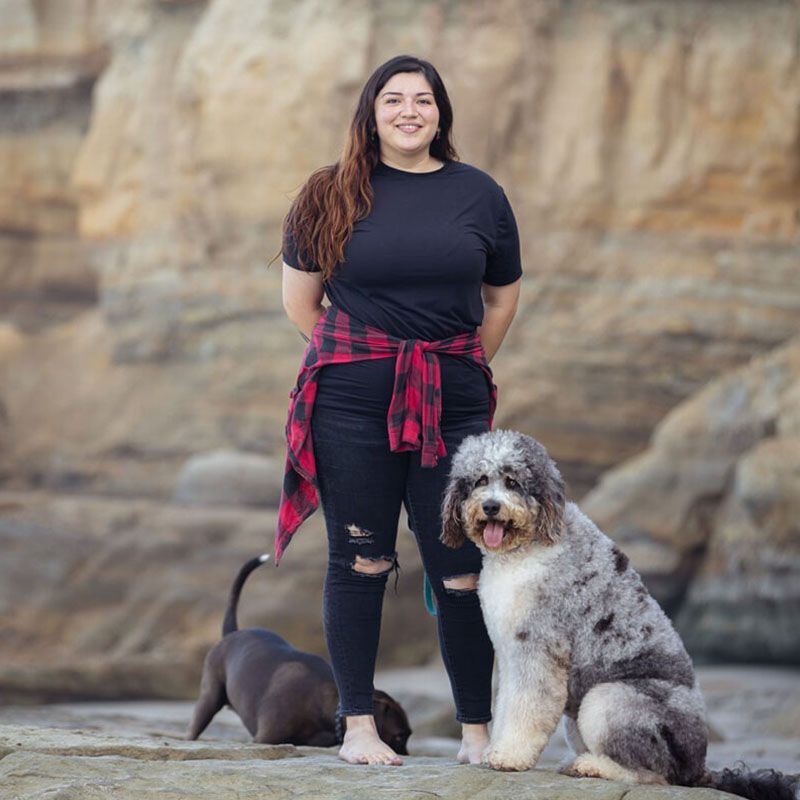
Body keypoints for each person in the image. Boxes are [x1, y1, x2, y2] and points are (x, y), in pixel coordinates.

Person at [277, 54, 522, 766]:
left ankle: (478, 734)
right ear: (371, 112)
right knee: (361, 560)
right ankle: (358, 727)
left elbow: (501, 298)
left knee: (465, 565)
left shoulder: (478, 193)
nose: (409, 110)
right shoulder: (329, 192)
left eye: (423, 99)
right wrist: (369, 360)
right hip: (350, 406)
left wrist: (458, 363)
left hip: (455, 406)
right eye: (394, 99)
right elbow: (302, 303)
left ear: (441, 113)